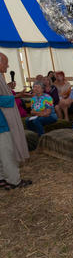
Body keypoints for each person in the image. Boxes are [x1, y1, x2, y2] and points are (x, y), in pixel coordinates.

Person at [0, 53, 31, 190]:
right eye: (5, 63)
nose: (7, 66)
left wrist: (7, 87)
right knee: (7, 152)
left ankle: (2, 178)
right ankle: (14, 181)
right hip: (2, 122)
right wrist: (17, 95)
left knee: (1, 152)